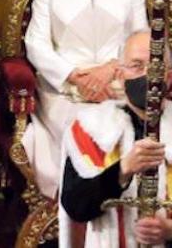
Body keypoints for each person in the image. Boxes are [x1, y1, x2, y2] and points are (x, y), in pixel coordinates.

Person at [21, 0, 147, 204]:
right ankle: (83, 213)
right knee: (85, 138)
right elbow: (35, 42)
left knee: (129, 133)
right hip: (64, 88)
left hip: (119, 83)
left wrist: (110, 71)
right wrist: (76, 76)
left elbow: (140, 35)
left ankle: (125, 220)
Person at [59, 31, 170, 247]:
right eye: (137, 65)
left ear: (169, 76)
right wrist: (122, 169)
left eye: (156, 66)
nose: (148, 75)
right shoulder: (91, 129)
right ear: (119, 74)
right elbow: (75, 207)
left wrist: (168, 231)